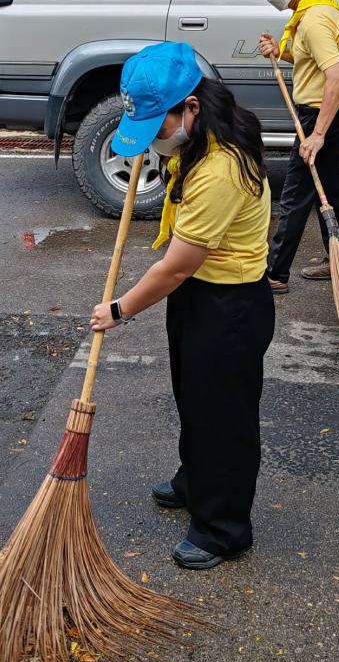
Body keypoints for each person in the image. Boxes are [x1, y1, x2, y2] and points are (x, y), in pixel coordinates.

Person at [88, 41, 273, 570]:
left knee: (225, 417)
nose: (156, 138)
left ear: (191, 107)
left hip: (230, 304)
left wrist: (119, 309)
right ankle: (195, 481)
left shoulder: (221, 168)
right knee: (194, 397)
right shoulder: (196, 141)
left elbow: (175, 267)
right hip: (199, 295)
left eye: (159, 125)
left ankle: (223, 527)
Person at [247, 0, 339, 293]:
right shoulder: (317, 5)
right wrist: (279, 52)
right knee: (329, 186)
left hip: (324, 115)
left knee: (296, 193)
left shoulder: (314, 20)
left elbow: (336, 77)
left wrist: (318, 134)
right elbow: (307, 58)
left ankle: (275, 274)